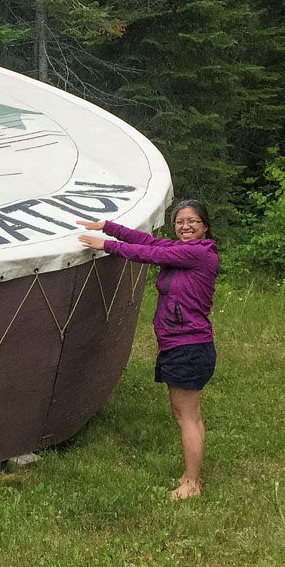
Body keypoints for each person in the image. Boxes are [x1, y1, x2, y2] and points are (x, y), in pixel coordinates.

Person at [77, 200, 218, 500]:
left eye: (192, 221)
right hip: (183, 345)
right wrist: (108, 226)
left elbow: (149, 253)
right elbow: (149, 241)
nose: (186, 226)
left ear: (205, 226)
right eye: (180, 221)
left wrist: (107, 245)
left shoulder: (198, 253)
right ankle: (191, 476)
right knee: (190, 415)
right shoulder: (180, 251)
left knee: (186, 417)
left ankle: (191, 485)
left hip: (189, 346)